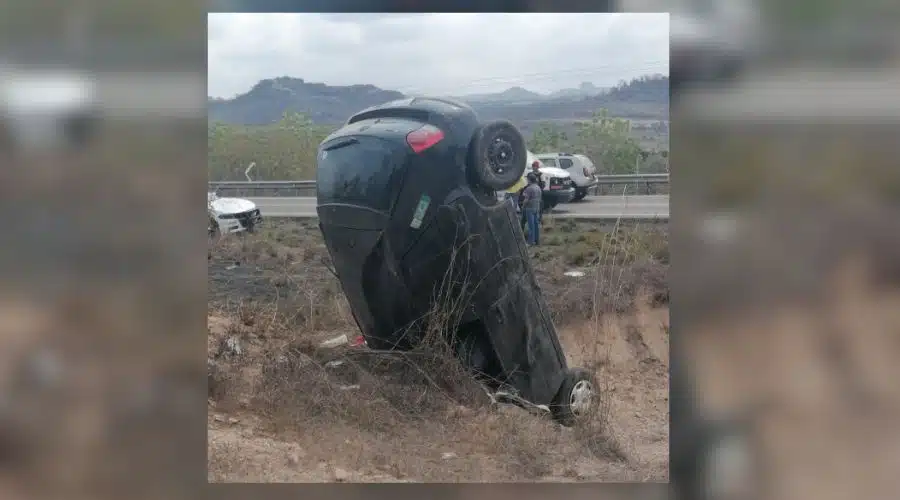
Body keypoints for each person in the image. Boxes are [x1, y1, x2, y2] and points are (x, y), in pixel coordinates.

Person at [520, 172, 542, 246]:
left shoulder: (529, 188)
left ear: (529, 180)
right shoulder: (538, 187)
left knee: (531, 225)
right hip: (537, 207)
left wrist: (523, 206)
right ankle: (537, 240)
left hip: (529, 208)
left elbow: (526, 200)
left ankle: (530, 242)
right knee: (536, 224)